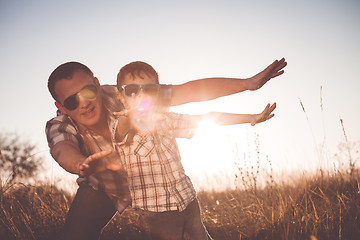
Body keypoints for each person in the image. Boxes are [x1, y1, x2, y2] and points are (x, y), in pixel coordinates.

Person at [45, 58, 286, 240]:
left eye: (87, 92)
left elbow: (190, 92)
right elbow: (62, 149)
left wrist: (247, 84)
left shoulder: (130, 92)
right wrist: (80, 164)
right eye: (71, 101)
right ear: (61, 106)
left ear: (97, 84)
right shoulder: (61, 125)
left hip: (157, 190)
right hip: (104, 183)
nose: (84, 103)